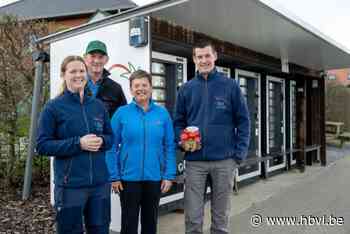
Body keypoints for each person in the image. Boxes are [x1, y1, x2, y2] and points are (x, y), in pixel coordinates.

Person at [174, 40, 250, 234]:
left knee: (221, 218)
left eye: (207, 55)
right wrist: (182, 142)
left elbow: (243, 121)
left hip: (224, 161)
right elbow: (178, 123)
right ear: (194, 59)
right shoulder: (186, 89)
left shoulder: (230, 86)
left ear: (215, 56)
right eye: (200, 57)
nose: (204, 60)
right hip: (195, 163)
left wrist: (238, 156)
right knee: (192, 217)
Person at [36, 55, 113, 234]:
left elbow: (110, 137)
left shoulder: (98, 106)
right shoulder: (53, 107)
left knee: (101, 230)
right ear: (64, 75)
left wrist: (102, 141)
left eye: (81, 71)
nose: (78, 75)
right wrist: (78, 143)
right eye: (73, 71)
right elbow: (42, 145)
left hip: (99, 185)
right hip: (70, 187)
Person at [107, 70, 176, 234]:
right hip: (128, 179)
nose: (140, 89)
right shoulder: (121, 113)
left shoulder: (162, 114)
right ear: (130, 89)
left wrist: (169, 175)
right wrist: (114, 176)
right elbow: (110, 146)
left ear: (151, 88)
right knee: (128, 223)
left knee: (150, 223)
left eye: (144, 85)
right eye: (136, 85)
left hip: (154, 178)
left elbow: (169, 146)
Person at [84, 40, 127, 117]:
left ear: (106, 60)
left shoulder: (116, 88)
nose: (96, 61)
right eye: (93, 56)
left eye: (100, 57)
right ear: (85, 58)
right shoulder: (76, 84)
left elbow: (123, 117)